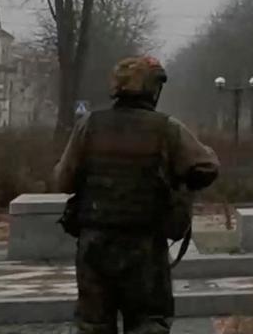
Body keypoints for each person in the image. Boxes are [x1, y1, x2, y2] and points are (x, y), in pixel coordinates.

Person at [54, 56, 220, 334]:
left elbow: (63, 181)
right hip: (144, 246)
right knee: (148, 324)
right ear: (152, 90)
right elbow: (206, 167)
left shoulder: (89, 125)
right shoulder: (166, 128)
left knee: (93, 325)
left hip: (95, 244)